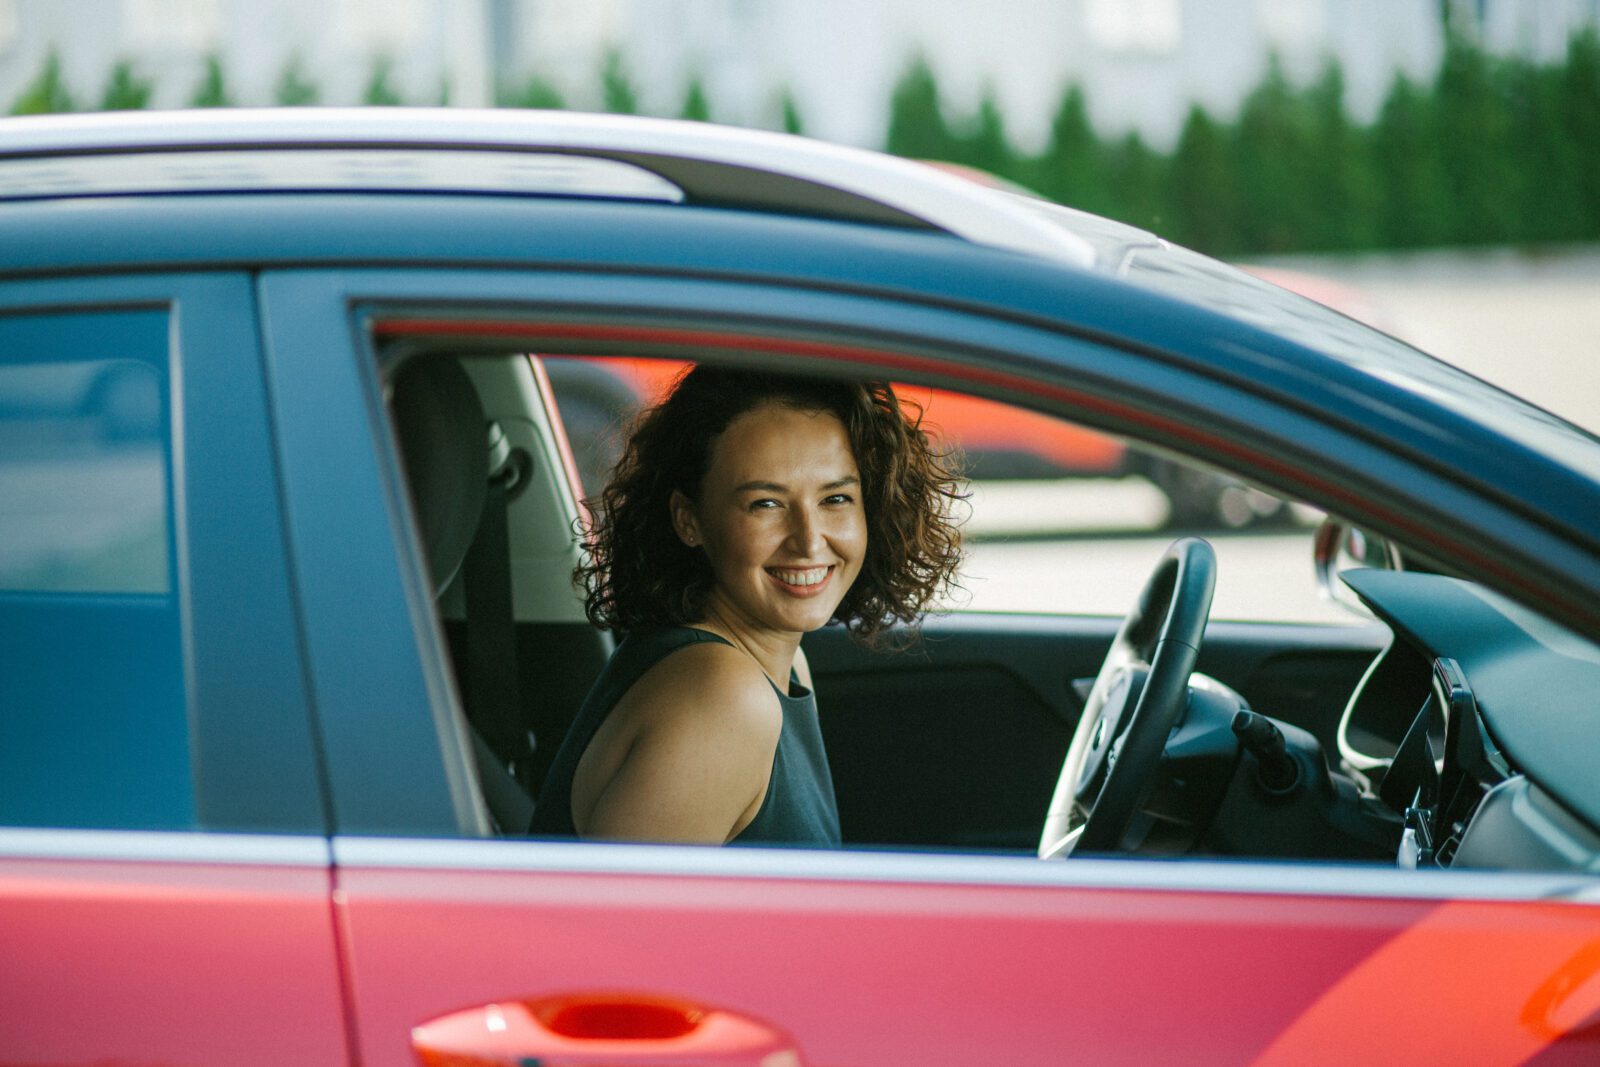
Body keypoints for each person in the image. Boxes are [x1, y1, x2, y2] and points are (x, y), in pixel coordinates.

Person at [531, 365, 964, 845]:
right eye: (766, 504)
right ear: (689, 519)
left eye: (836, 498)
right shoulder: (725, 699)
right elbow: (607, 922)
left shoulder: (773, 662)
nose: (808, 540)